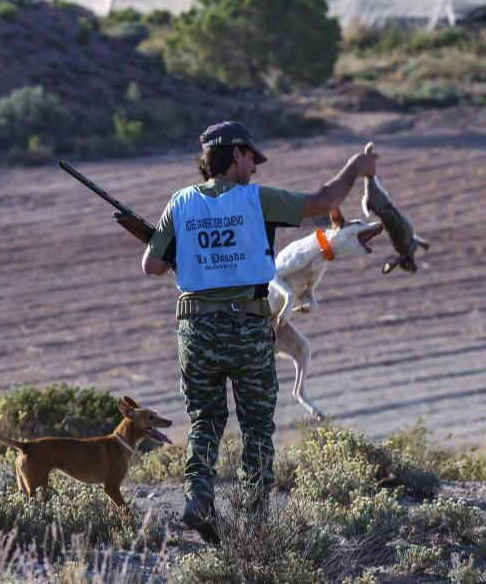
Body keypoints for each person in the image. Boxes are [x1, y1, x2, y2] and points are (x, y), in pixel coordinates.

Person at [141, 120, 377, 544]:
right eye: (252, 158)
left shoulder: (179, 202)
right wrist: (355, 166)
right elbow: (325, 200)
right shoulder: (256, 200)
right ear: (236, 154)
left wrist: (187, 252)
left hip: (195, 328)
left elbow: (151, 266)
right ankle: (255, 522)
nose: (255, 169)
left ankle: (198, 499)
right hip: (248, 327)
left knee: (205, 420)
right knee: (256, 426)